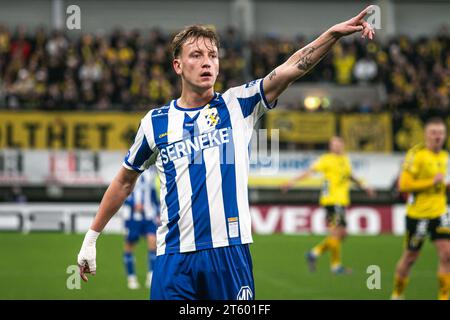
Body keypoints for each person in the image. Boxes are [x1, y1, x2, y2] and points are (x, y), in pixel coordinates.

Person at [77, 7, 375, 300]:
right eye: (196, 55)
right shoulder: (155, 122)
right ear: (177, 65)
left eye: (213, 55)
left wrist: (333, 34)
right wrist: (91, 238)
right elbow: (124, 181)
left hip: (230, 253)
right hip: (173, 258)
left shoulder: (239, 104)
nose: (207, 62)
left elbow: (294, 66)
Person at [282, 136, 375, 274]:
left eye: (337, 144)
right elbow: (310, 172)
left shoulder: (345, 159)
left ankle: (314, 254)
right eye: (332, 144)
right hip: (332, 201)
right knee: (337, 233)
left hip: (341, 201)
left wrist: (364, 186)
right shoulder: (326, 159)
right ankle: (335, 266)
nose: (335, 147)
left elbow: (350, 176)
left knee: (341, 234)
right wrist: (292, 182)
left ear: (342, 145)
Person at [391, 118, 450, 300]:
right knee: (410, 258)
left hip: (439, 213)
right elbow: (403, 185)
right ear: (425, 135)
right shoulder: (416, 154)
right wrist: (431, 182)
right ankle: (397, 294)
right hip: (418, 216)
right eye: (433, 133)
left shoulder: (445, 157)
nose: (437, 136)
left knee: (447, 254)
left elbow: (442, 185)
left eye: (440, 133)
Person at [122, 167, 160, 289]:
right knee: (129, 246)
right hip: (133, 218)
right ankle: (131, 278)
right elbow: (122, 192)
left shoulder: (151, 172)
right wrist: (133, 203)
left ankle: (151, 276)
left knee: (153, 243)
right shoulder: (129, 170)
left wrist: (159, 211)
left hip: (149, 216)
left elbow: (153, 193)